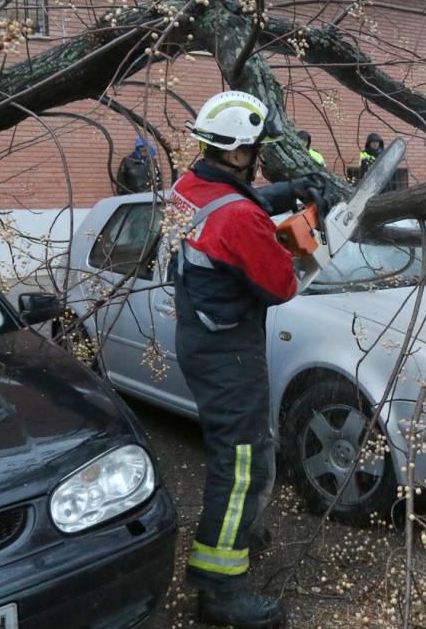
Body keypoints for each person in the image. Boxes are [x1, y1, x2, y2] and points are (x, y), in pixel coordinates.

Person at [167, 91, 325, 629]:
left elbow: (233, 203)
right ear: (235, 152)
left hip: (200, 337)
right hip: (229, 350)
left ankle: (243, 532)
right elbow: (281, 285)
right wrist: (297, 242)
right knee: (241, 465)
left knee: (242, 450)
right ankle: (219, 589)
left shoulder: (190, 187)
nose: (258, 157)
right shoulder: (239, 219)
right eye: (254, 151)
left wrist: (283, 193)